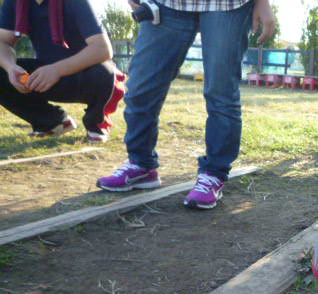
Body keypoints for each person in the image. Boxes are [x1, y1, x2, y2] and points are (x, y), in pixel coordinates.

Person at [96, 0, 276, 210]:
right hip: (166, 5)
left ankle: (214, 174)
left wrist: (263, 3)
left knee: (221, 93)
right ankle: (141, 165)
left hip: (227, 5)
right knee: (140, 89)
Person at [0, 0, 125, 143]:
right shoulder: (15, 2)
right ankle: (51, 122)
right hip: (45, 74)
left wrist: (56, 70)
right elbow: (3, 41)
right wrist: (10, 67)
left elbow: (102, 49)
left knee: (104, 71)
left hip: (84, 74)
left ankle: (96, 123)